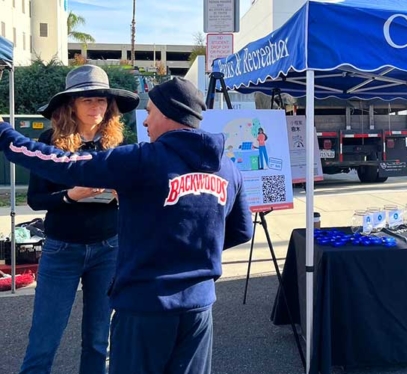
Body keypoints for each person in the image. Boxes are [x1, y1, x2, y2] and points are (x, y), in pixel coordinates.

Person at [0, 77, 253, 374]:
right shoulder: (228, 167)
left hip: (144, 305)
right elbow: (241, 230)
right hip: (199, 309)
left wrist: (4, 132)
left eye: (150, 112)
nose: (145, 122)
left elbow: (61, 163)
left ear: (168, 114)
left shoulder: (141, 160)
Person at [20, 65, 139, 374]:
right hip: (62, 249)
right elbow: (35, 199)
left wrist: (121, 193)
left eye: (101, 100)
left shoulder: (117, 145)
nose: (96, 107)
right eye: (87, 100)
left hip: (108, 249)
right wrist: (72, 195)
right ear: (70, 104)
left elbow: (135, 196)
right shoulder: (49, 141)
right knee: (44, 339)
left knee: (99, 339)